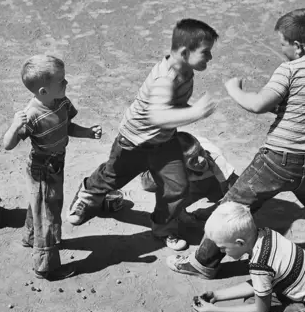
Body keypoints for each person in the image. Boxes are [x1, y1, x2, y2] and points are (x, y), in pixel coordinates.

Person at [168, 8, 305, 285]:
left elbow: (258, 105)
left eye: (283, 44)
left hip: (278, 158)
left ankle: (204, 262)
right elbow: (299, 110)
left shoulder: (290, 69)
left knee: (233, 206)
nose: (282, 50)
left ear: (298, 46)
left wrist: (235, 90)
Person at [66, 19, 219, 251]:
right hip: (134, 141)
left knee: (177, 187)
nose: (210, 58)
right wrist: (195, 112)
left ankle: (164, 227)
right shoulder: (164, 78)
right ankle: (88, 194)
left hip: (163, 142)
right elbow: (157, 116)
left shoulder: (186, 71)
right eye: (206, 53)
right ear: (185, 52)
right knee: (112, 177)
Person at [2, 54, 102, 281]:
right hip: (41, 170)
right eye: (62, 81)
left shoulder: (62, 103)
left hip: (57, 164)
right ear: (43, 92)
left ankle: (30, 236)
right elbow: (8, 145)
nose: (67, 83)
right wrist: (14, 125)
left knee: (46, 204)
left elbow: (68, 126)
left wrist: (87, 132)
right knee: (46, 213)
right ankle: (45, 266)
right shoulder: (31, 116)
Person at [139, 131, 237, 225]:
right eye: (193, 160)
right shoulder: (171, 168)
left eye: (201, 152)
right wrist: (180, 213)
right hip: (170, 170)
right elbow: (165, 197)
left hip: (200, 176)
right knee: (153, 188)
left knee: (234, 191)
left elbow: (230, 194)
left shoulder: (214, 155)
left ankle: (202, 186)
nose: (202, 160)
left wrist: (213, 212)